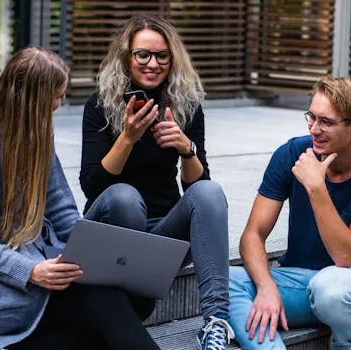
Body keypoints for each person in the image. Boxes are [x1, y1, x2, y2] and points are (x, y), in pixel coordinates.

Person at [0, 47, 160, 350]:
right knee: (106, 303)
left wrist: (90, 254)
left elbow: (61, 207)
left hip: (43, 256)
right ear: (34, 99)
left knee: (134, 296)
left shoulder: (37, 130)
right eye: (57, 96)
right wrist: (30, 271)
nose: (61, 103)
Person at [79, 15, 233, 350]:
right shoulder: (101, 106)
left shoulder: (186, 106)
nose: (153, 64)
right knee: (124, 197)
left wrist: (186, 149)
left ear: (172, 58)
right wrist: (128, 138)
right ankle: (121, 308)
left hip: (163, 235)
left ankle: (216, 323)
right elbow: (92, 187)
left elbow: (197, 190)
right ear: (127, 57)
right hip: (111, 231)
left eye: (162, 55)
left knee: (211, 191)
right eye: (142, 55)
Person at [228, 77, 351, 349]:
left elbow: (345, 255)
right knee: (226, 280)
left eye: (326, 122)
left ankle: (346, 344)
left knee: (331, 289)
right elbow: (252, 235)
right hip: (297, 280)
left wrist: (316, 187)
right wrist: (265, 287)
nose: (314, 129)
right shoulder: (291, 153)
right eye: (311, 117)